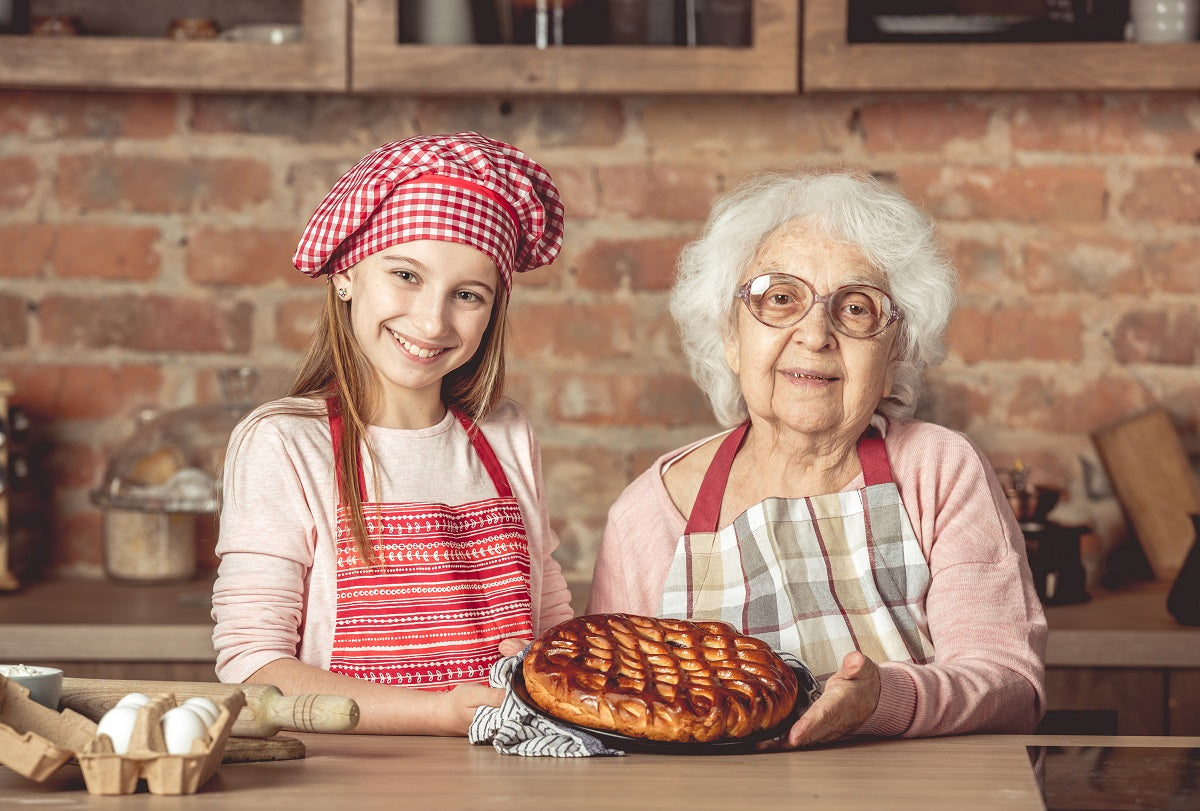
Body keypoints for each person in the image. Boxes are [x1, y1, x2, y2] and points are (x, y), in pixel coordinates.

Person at [587, 167, 1047, 748]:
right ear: (730, 337)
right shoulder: (649, 514)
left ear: (894, 354)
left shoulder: (938, 470)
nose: (815, 334)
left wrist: (884, 699)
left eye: (856, 309)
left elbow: (1009, 684)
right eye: (780, 299)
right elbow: (610, 716)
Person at [211, 132, 574, 735]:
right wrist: (438, 714)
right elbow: (253, 670)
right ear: (346, 274)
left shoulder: (505, 435)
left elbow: (550, 621)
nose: (432, 321)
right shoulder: (283, 444)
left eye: (467, 294)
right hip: (340, 782)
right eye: (406, 275)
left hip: (508, 773)